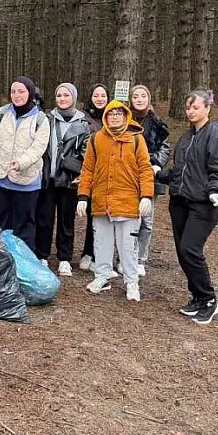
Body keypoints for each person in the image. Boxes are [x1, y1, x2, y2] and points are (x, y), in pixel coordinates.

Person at [158, 90, 218, 325]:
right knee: (183, 252)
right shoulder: (187, 137)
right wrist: (159, 174)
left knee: (191, 250)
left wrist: (216, 190)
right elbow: (181, 170)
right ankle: (198, 297)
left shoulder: (217, 135)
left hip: (203, 205)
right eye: (188, 107)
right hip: (180, 202)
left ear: (207, 108)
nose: (191, 111)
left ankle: (209, 300)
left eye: (196, 107)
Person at [76, 99, 154, 300]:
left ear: (126, 116)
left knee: (128, 246)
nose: (115, 117)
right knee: (101, 242)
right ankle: (102, 275)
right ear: (105, 117)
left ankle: (131, 282)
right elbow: (88, 170)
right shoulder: (96, 139)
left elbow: (145, 169)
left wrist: (146, 195)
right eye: (111, 114)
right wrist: (83, 196)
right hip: (101, 201)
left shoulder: (136, 139)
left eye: (119, 113)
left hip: (127, 202)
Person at [0, 76, 50, 252]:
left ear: (30, 93)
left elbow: (38, 148)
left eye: (21, 91)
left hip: (25, 181)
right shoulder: (1, 113)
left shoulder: (40, 119)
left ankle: (24, 263)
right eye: (13, 91)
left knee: (24, 224)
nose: (17, 95)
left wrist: (21, 163)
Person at [35, 83, 91, 276]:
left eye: (66, 95)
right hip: (48, 178)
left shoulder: (83, 124)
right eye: (59, 95)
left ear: (73, 97)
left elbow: (87, 154)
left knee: (66, 221)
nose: (62, 99)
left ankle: (64, 258)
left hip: (69, 180)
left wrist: (81, 175)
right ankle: (42, 254)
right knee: (44, 218)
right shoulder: (46, 120)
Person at [128, 84, 171, 277]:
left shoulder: (157, 122)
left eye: (142, 96)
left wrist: (158, 165)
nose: (139, 99)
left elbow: (165, 146)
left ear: (148, 98)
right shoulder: (124, 119)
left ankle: (140, 259)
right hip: (128, 174)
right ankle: (125, 257)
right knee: (128, 219)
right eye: (135, 96)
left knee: (146, 220)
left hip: (150, 174)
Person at [78, 83, 110, 272]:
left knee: (107, 217)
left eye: (103, 95)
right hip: (91, 172)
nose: (99, 99)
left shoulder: (114, 116)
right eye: (96, 95)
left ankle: (103, 255)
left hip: (110, 175)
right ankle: (88, 252)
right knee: (92, 216)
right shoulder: (84, 119)